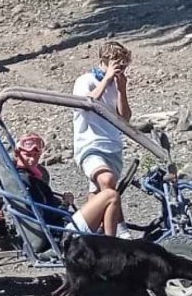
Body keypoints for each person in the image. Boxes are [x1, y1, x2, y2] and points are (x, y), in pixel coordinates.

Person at [71, 41, 135, 237]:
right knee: (107, 181)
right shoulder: (86, 80)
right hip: (90, 144)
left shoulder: (115, 86)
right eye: (117, 64)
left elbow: (125, 118)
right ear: (105, 61)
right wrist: (106, 80)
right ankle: (116, 236)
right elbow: (85, 104)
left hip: (112, 146)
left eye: (123, 66)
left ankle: (90, 237)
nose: (120, 69)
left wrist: (122, 89)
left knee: (98, 196)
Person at [11, 133, 119, 235]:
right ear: (17, 154)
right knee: (111, 196)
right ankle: (110, 245)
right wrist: (65, 205)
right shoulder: (27, 180)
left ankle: (107, 241)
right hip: (63, 233)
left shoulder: (23, 177)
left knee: (101, 198)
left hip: (60, 227)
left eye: (36, 155)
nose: (32, 159)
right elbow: (45, 215)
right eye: (28, 155)